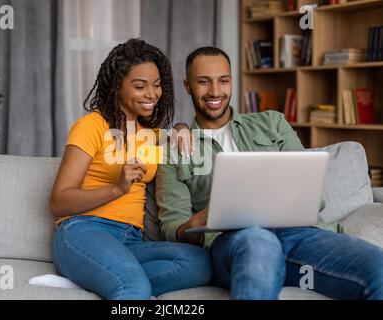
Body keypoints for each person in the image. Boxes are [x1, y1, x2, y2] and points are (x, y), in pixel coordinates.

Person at [155, 46, 383, 300]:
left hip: (300, 234)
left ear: (232, 81)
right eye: (203, 82)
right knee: (258, 244)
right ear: (187, 86)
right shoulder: (173, 149)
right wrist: (195, 223)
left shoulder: (272, 123)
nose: (215, 91)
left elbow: (312, 194)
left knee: (378, 270)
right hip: (236, 242)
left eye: (223, 80)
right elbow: (171, 226)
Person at [49, 39, 212, 300]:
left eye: (157, 85)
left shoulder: (153, 134)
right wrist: (117, 188)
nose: (152, 94)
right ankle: (115, 277)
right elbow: (58, 202)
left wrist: (181, 128)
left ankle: (100, 277)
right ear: (117, 87)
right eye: (140, 86)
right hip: (84, 230)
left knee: (200, 263)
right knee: (134, 289)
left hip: (131, 240)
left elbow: (177, 138)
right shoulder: (91, 126)